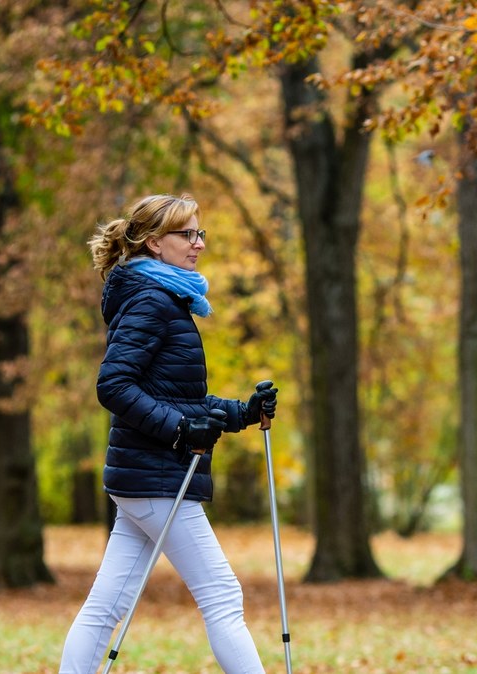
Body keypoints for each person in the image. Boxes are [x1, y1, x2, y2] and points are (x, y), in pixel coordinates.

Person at [60, 193, 278, 674]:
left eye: (201, 233)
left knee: (105, 608)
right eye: (188, 235)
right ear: (155, 243)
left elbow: (180, 398)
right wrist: (181, 430)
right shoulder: (151, 301)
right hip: (158, 478)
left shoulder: (164, 299)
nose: (199, 244)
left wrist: (244, 411)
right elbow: (113, 385)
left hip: (145, 478)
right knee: (222, 595)